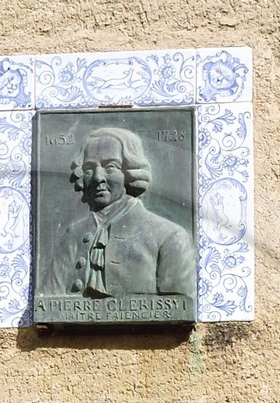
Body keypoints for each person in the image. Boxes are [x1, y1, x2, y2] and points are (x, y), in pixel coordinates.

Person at [41, 126, 196, 301]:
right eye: (89, 168)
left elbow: (180, 306)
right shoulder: (73, 235)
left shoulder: (170, 237)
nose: (98, 177)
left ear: (130, 172)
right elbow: (48, 302)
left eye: (111, 167)